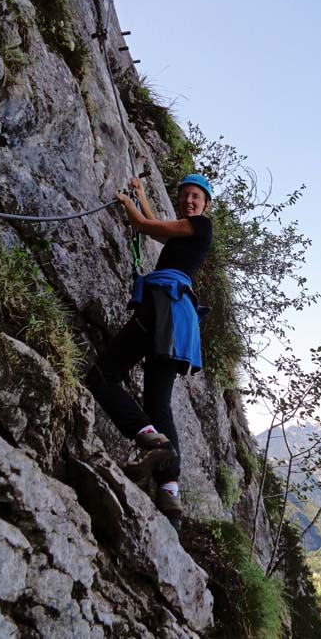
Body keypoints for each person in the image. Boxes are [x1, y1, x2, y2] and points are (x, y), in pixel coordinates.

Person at [86, 173, 213, 532]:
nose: (189, 200)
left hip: (161, 309)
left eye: (196, 197)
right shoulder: (187, 233)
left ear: (204, 205)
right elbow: (156, 230)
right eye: (185, 195)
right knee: (160, 404)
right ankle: (169, 494)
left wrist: (127, 203)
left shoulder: (201, 226)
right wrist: (140, 195)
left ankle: (145, 434)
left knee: (101, 376)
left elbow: (143, 226)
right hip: (180, 322)